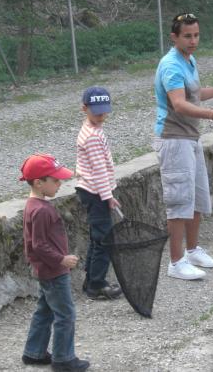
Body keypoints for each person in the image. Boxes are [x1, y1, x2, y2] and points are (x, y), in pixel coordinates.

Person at [153, 12, 213, 280]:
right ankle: (176, 261)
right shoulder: (170, 65)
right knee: (179, 200)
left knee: (196, 196)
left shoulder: (189, 59)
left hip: (190, 137)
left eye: (196, 35)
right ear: (174, 37)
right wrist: (212, 115)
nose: (193, 40)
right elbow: (180, 104)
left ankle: (192, 251)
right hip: (173, 138)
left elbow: (196, 93)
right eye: (187, 36)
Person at [19, 154, 90, 372]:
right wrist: (62, 259)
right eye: (56, 180)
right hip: (53, 270)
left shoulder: (35, 205)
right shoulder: (40, 210)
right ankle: (63, 359)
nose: (60, 184)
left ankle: (34, 351)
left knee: (45, 310)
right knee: (65, 314)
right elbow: (39, 245)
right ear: (39, 183)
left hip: (46, 270)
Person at [75, 86, 122, 300]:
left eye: (104, 111)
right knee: (104, 239)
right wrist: (108, 197)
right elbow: (99, 171)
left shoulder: (91, 128)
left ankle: (90, 279)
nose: (102, 116)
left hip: (91, 190)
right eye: (97, 112)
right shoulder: (92, 137)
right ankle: (97, 284)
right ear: (84, 108)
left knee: (97, 237)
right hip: (96, 192)